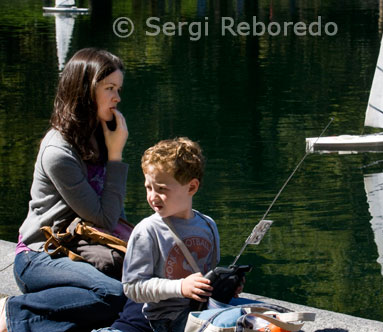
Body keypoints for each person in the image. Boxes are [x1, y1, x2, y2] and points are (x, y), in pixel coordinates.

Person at [0, 48, 129, 332]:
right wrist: (117, 156)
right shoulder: (58, 151)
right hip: (43, 255)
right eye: (109, 88)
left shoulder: (101, 135)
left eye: (118, 89)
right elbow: (104, 219)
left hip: (88, 250)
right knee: (115, 296)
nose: (117, 98)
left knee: (143, 296)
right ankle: (13, 311)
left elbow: (114, 215)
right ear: (85, 91)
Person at [122, 138, 220, 332]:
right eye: (149, 187)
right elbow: (132, 287)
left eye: (161, 189)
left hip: (203, 310)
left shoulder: (208, 225)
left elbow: (210, 274)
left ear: (191, 187)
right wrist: (181, 287)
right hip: (165, 320)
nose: (152, 196)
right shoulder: (148, 231)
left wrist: (226, 283)